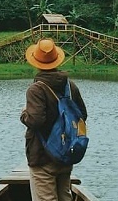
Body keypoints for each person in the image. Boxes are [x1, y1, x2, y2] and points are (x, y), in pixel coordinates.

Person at [20, 38, 88, 201]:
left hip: (43, 156)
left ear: (36, 62)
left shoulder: (36, 89)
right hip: (66, 154)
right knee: (64, 196)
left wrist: (24, 115)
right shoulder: (70, 86)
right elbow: (82, 116)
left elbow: (35, 120)